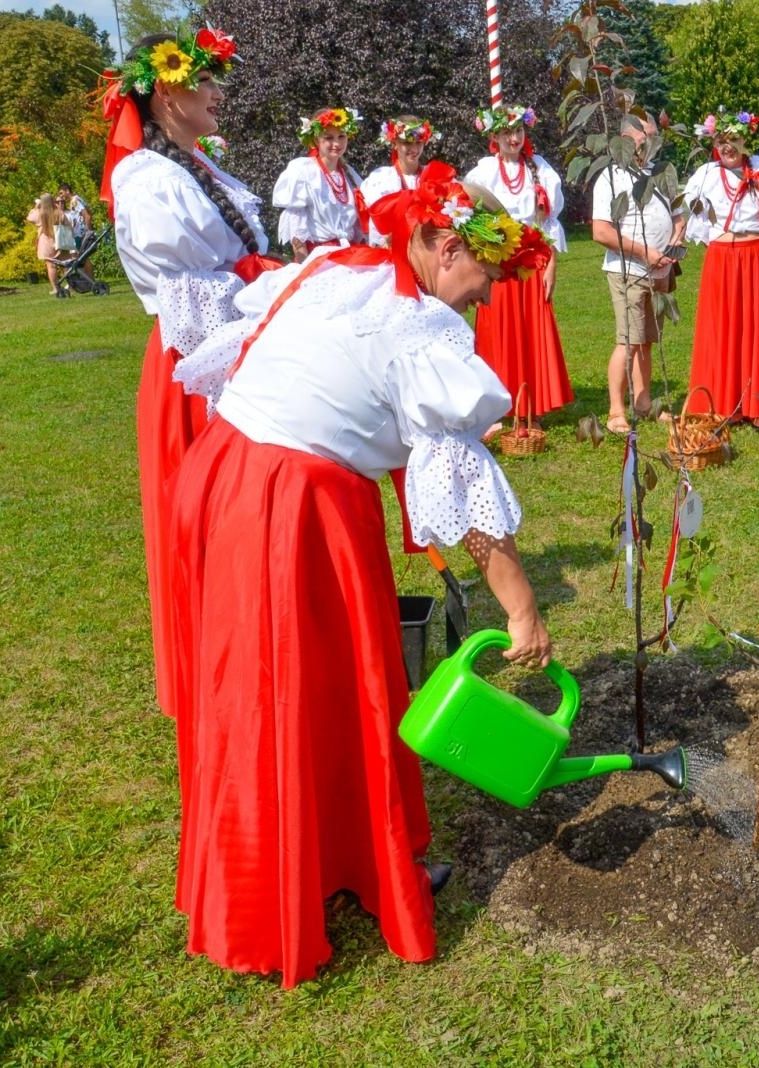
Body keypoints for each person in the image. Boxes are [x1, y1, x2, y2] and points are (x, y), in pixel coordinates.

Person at [164, 163, 554, 987]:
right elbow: (466, 500)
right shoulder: (421, 330)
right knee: (302, 692)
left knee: (281, 691)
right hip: (292, 505)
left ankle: (316, 864)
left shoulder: (340, 269)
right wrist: (522, 609)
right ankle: (277, 899)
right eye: (488, 276)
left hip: (225, 472)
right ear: (448, 247)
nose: (488, 297)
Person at [100, 26, 275, 722]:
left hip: (232, 346)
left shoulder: (191, 167)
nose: (216, 92)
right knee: (214, 514)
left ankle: (253, 658)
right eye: (206, 80)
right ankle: (222, 674)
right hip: (201, 365)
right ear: (167, 91)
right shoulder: (148, 180)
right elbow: (197, 303)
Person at [680, 109, 759, 434]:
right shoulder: (705, 176)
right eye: (721, 141)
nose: (727, 147)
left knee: (757, 330)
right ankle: (724, 404)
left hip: (757, 256)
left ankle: (756, 406)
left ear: (745, 140)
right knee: (722, 329)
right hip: (722, 259)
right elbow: (695, 216)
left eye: (733, 140)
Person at [465, 103, 571, 430]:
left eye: (519, 131)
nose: (514, 138)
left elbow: (548, 223)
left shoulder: (540, 169)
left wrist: (551, 265)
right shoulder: (485, 172)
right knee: (498, 333)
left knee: (529, 333)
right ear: (495, 136)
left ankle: (530, 407)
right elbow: (471, 220)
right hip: (498, 262)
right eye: (508, 132)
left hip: (532, 261)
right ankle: (497, 408)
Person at [589, 113, 685, 434]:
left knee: (647, 341)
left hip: (661, 270)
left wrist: (673, 244)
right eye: (647, 137)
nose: (653, 143)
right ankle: (616, 410)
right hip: (628, 270)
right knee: (628, 340)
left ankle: (643, 403)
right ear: (627, 140)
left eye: (656, 137)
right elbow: (601, 231)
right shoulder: (611, 177)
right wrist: (645, 253)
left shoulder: (660, 172)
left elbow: (679, 216)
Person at [273, 107, 366, 258]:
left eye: (341, 136)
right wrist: (303, 264)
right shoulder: (303, 170)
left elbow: (359, 228)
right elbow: (297, 225)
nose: (337, 143)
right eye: (329, 138)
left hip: (351, 254)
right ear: (317, 140)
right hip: (319, 256)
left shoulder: (349, 173)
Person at [361, 115, 440, 247]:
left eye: (419, 143)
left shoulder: (435, 175)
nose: (414, 149)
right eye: (407, 143)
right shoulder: (382, 179)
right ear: (395, 143)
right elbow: (378, 229)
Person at [27, 193, 69, 296]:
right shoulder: (58, 212)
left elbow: (29, 218)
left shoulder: (39, 214)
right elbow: (67, 224)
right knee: (66, 264)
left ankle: (55, 288)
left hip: (46, 242)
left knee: (51, 266)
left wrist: (36, 207)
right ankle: (70, 285)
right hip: (59, 241)